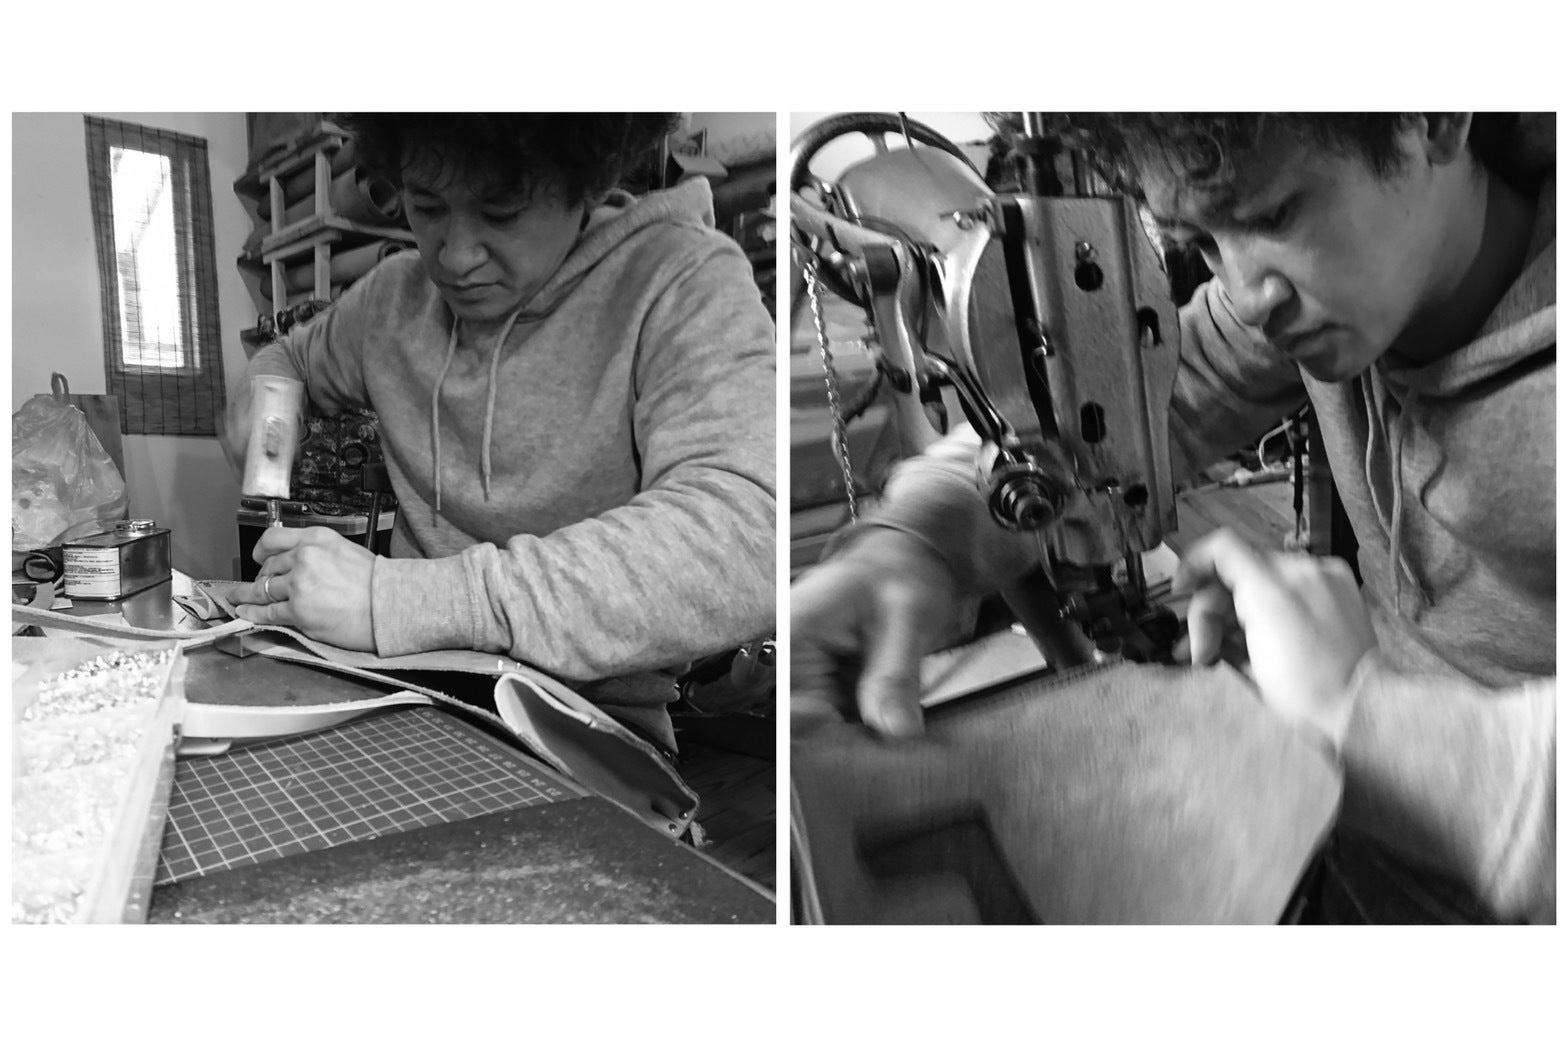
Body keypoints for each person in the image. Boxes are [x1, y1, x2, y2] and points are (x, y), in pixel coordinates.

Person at [791, 113, 1554, 922]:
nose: (1248, 299)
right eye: (1204, 242)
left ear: (1432, 120)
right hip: (1359, 825)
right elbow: (1118, 411)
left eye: (1273, 216)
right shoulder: (1323, 295)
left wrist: (1355, 712)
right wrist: (918, 540)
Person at [221, 113, 775, 750]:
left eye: (502, 211)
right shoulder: (390, 301)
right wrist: (266, 399)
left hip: (583, 730)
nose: (456, 256)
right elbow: (288, 358)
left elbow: (746, 539)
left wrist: (394, 601)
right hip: (405, 696)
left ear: (587, 181)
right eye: (427, 206)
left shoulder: (681, 281)